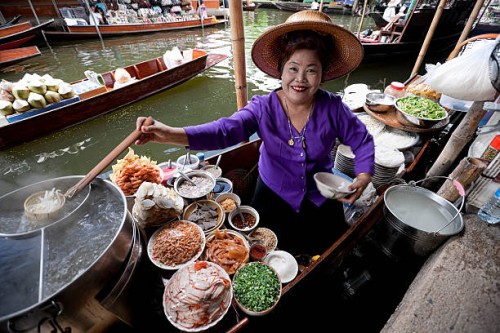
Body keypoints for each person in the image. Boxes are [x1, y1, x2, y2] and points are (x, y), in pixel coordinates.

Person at [135, 11, 374, 256]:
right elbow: (224, 131)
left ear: (322, 74)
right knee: (267, 253)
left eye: (311, 70)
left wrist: (363, 177)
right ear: (281, 71)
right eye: (293, 68)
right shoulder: (263, 107)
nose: (300, 79)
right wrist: (168, 134)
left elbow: (362, 140)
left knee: (324, 251)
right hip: (272, 196)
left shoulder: (333, 107)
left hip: (319, 197)